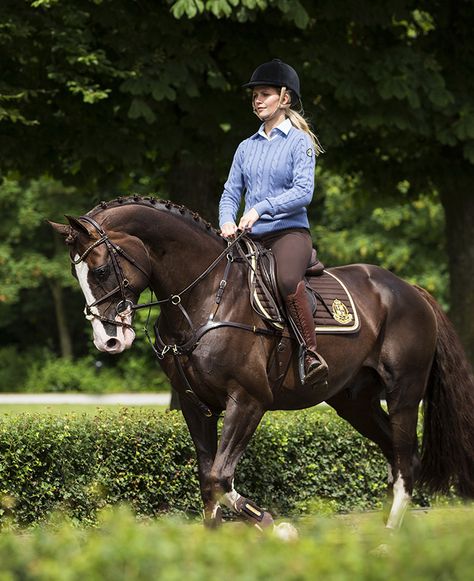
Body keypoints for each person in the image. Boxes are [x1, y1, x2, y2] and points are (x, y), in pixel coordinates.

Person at [219, 58, 328, 388]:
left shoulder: (299, 143)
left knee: (284, 278)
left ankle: (310, 355)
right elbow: (230, 192)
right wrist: (226, 220)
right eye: (254, 95)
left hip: (289, 233)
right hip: (249, 238)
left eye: (264, 94)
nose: (257, 100)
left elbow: (303, 192)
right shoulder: (245, 147)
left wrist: (260, 208)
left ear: (285, 98)